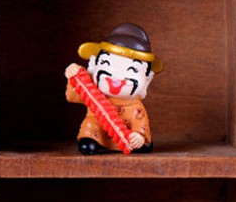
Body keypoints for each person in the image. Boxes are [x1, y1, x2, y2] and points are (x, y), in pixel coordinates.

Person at [65, 23, 164, 154]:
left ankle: (135, 143)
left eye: (133, 70)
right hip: (98, 129)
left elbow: (141, 123)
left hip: (126, 137)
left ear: (146, 79)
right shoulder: (93, 92)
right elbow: (74, 95)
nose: (117, 78)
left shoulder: (135, 107)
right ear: (94, 65)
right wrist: (74, 75)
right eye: (106, 63)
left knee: (137, 140)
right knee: (91, 125)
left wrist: (140, 136)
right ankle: (91, 141)